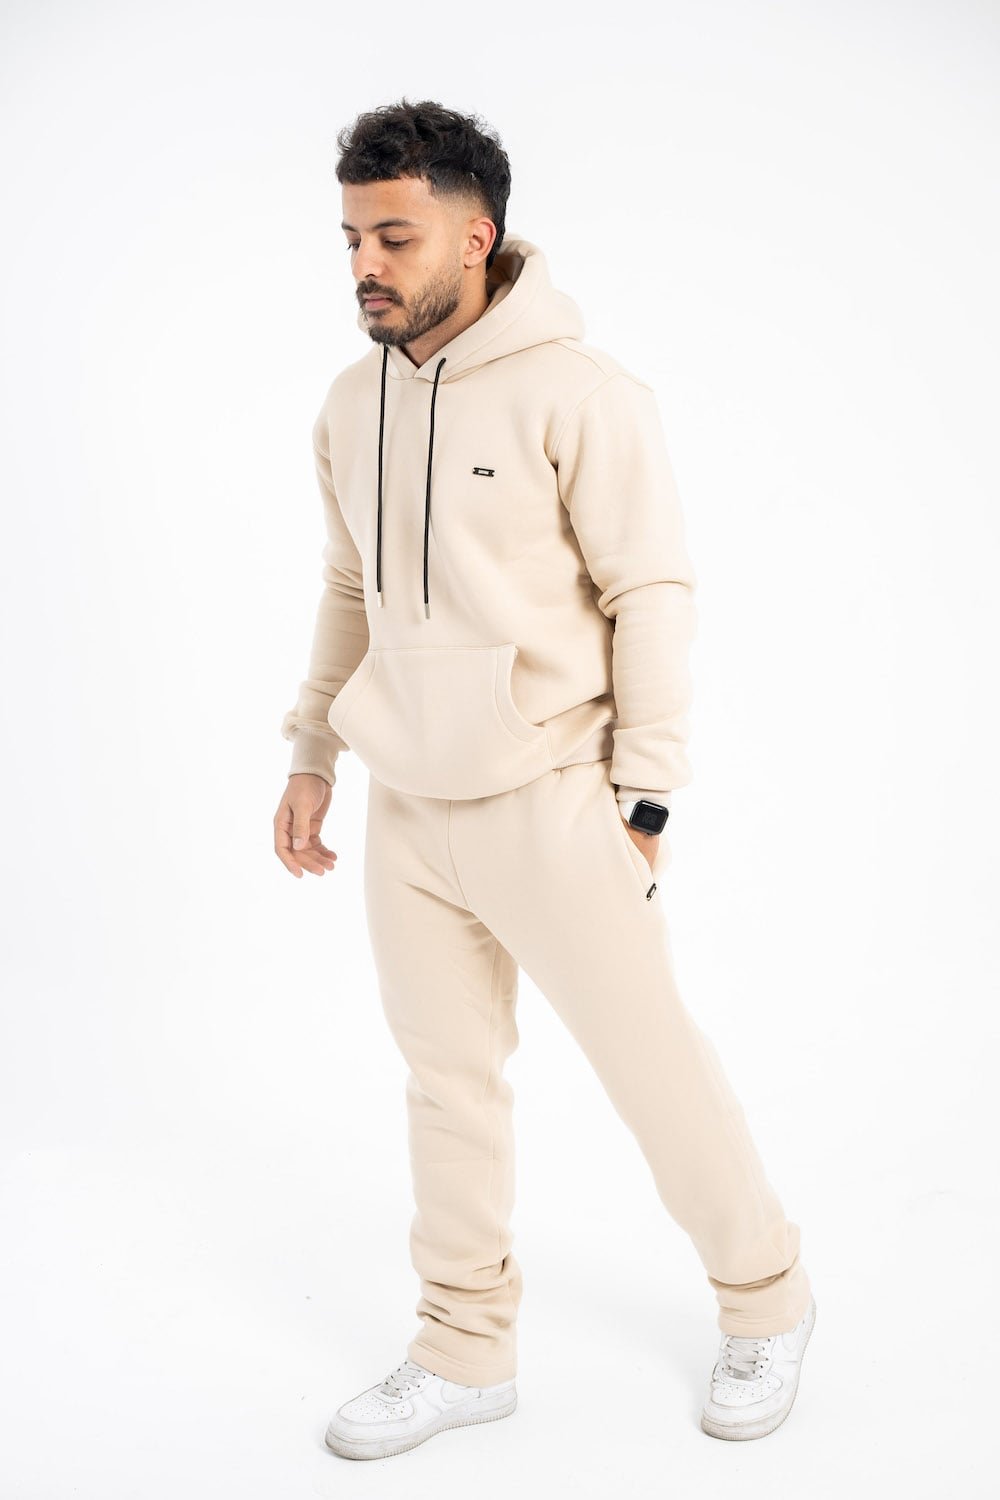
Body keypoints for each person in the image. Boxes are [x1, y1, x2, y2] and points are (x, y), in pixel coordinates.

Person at [273, 99, 816, 1461]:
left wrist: (645, 798)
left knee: (651, 1068)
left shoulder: (583, 394)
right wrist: (313, 752)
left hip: (552, 793)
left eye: (394, 237)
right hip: (409, 806)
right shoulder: (349, 404)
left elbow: (652, 593)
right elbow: (349, 588)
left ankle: (768, 1300)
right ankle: (464, 1350)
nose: (365, 265)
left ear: (477, 237)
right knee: (446, 1085)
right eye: (351, 238)